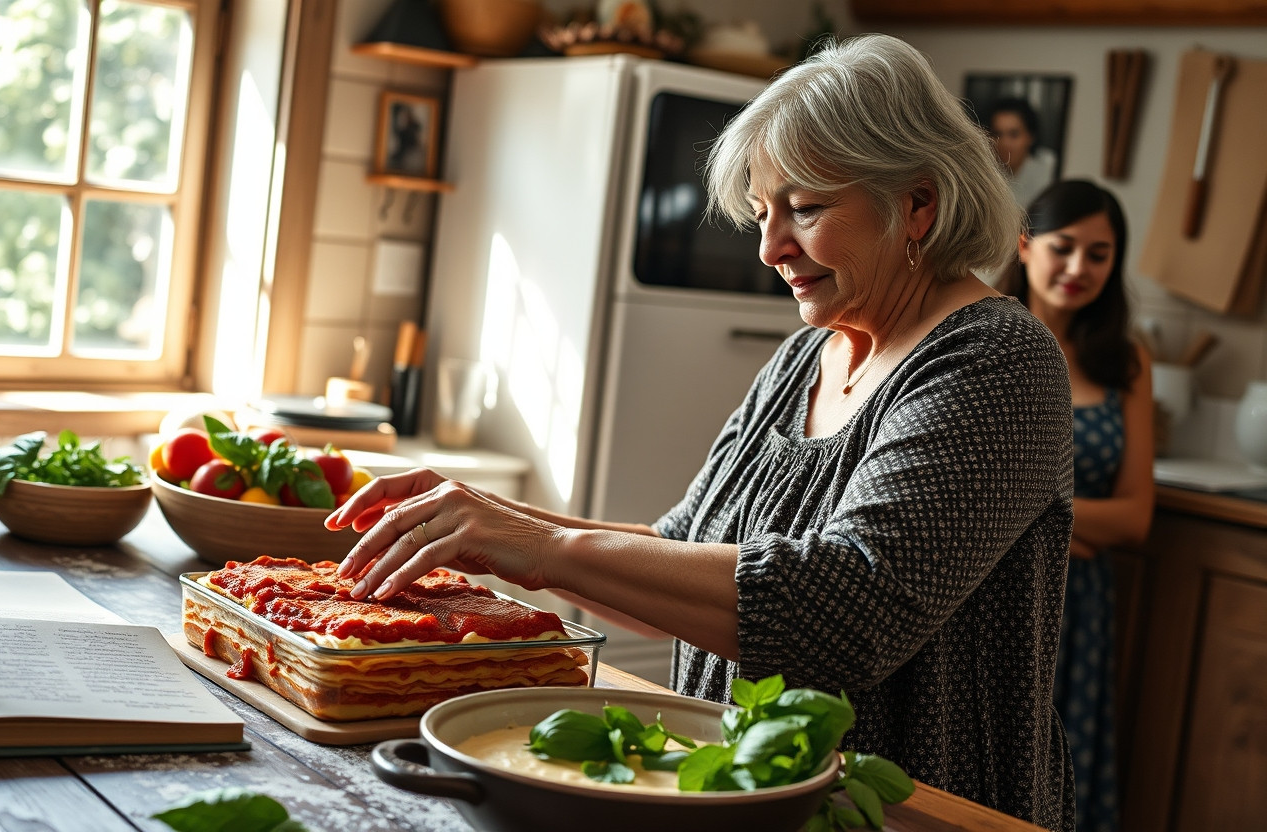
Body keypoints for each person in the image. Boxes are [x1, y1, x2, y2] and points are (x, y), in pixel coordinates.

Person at [328, 34, 1074, 831]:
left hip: (910, 812)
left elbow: (850, 607)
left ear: (917, 204)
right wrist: (492, 525)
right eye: (761, 215)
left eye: (807, 208)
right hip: (739, 801)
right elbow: (677, 550)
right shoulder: (802, 358)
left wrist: (540, 547)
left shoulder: (998, 359)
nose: (769, 248)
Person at [1001, 179, 1154, 832]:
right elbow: (962, 501)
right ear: (1025, 244)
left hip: (1079, 605)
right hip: (995, 586)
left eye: (1099, 254)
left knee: (1064, 775)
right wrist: (1067, 522)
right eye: (1064, 247)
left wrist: (1036, 514)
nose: (1077, 268)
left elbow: (1136, 515)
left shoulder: (1127, 360)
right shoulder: (988, 339)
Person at [987, 97, 1057, 209]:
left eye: (1014, 134)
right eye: (997, 134)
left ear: (1030, 137)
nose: (1005, 143)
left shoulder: (1048, 177)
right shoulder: (985, 175)